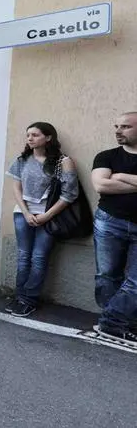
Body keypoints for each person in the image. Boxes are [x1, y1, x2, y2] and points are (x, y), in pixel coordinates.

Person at [6, 122, 77, 317]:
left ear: (48, 138)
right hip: (23, 214)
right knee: (23, 256)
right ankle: (19, 296)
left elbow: (69, 194)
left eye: (35, 135)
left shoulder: (63, 162)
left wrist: (46, 215)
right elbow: (16, 188)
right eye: (28, 135)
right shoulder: (22, 160)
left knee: (39, 257)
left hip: (49, 215)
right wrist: (26, 212)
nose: (30, 138)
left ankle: (29, 299)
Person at [91, 111, 137, 342]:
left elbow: (111, 182)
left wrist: (121, 176)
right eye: (116, 126)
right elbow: (101, 185)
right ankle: (115, 323)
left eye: (126, 126)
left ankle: (112, 322)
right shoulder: (106, 156)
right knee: (107, 275)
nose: (118, 131)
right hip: (110, 221)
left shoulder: (116, 166)